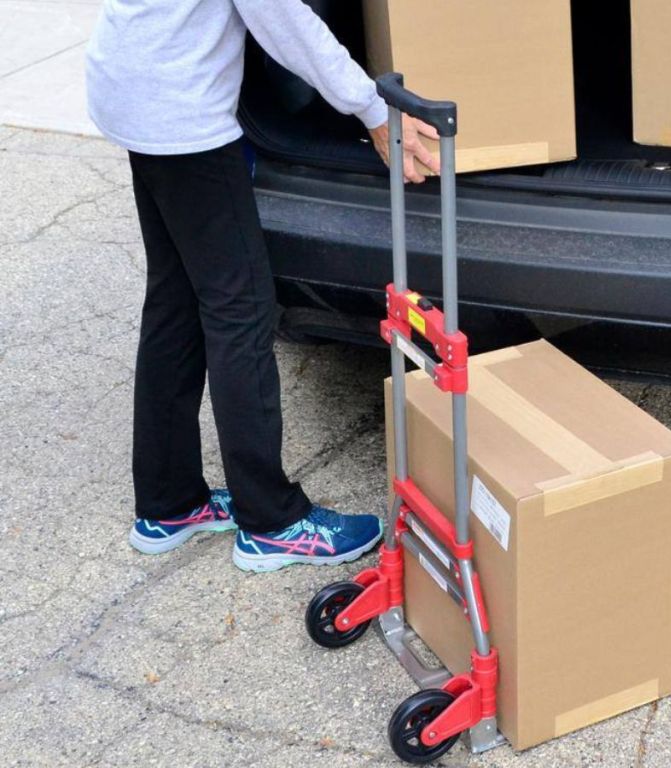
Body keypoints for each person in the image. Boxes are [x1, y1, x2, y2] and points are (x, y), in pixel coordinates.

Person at [85, 0, 440, 572]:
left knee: (175, 303)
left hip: (136, 91)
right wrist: (374, 109)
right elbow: (282, 17)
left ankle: (169, 503)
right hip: (183, 119)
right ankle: (271, 522)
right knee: (241, 312)